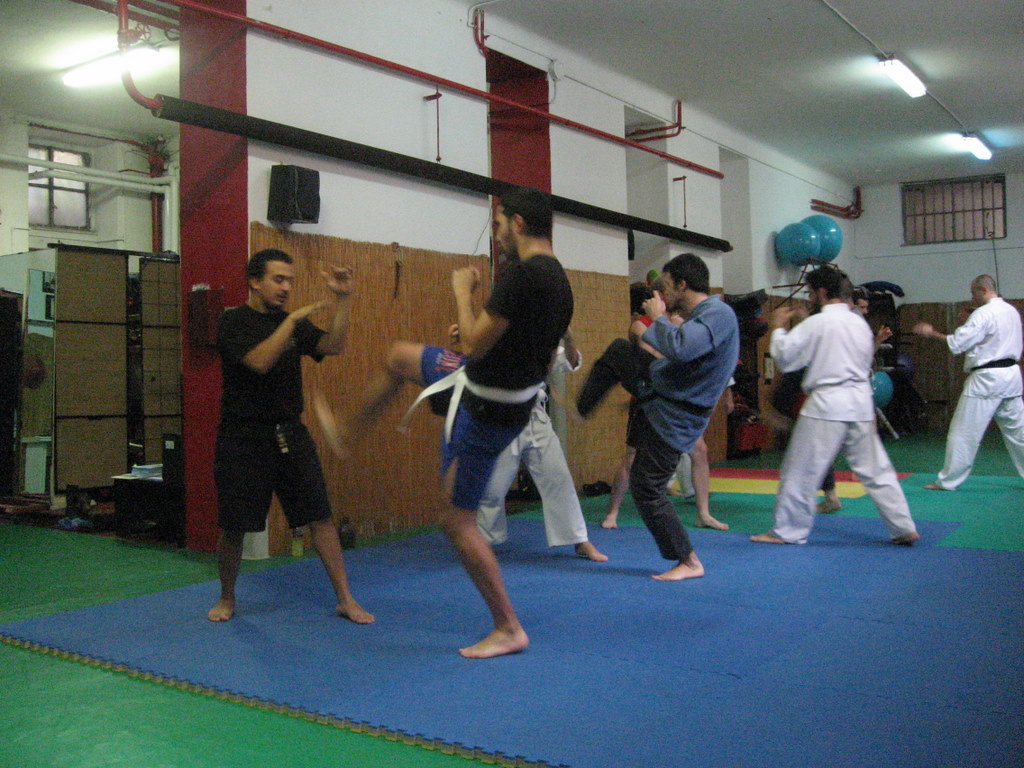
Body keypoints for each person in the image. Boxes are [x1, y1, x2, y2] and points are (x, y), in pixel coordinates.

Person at [325, 186, 573, 658]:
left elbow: (475, 343)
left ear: (518, 223)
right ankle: (345, 432)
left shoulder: (521, 276)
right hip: (499, 393)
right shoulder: (559, 279)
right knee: (399, 357)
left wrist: (462, 292)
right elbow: (527, 350)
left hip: (485, 407)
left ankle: (508, 627)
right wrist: (479, 340)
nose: (496, 234)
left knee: (456, 520)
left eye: (499, 224)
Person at [318, 324, 606, 562]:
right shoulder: (499, 330)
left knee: (558, 478)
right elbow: (473, 354)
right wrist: (464, 339)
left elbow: (571, 362)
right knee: (491, 488)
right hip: (500, 414)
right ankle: (483, 542)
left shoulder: (540, 338)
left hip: (533, 417)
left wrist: (567, 338)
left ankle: (580, 540)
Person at [208, 248, 374, 624]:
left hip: (290, 434)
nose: (286, 288)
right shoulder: (232, 321)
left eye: (290, 281)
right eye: (278, 279)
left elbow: (333, 345)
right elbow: (259, 361)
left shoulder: (292, 323)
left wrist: (343, 300)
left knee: (320, 517)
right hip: (243, 437)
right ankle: (227, 596)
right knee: (234, 526)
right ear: (255, 281)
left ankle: (346, 599)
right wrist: (293, 321)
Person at [578, 253, 739, 580]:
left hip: (676, 413)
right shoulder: (702, 316)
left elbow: (682, 349)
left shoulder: (718, 313)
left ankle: (689, 562)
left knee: (647, 487)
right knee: (619, 352)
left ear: (682, 284)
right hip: (663, 394)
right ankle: (582, 409)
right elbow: (684, 354)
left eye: (666, 287)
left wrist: (658, 318)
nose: (661, 295)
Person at [751, 267, 919, 546]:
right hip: (860, 402)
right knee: (876, 469)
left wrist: (778, 327)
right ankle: (903, 527)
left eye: (810, 293)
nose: (809, 298)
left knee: (800, 470)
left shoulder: (818, 323)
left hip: (827, 404)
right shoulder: (859, 324)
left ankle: (788, 531)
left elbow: (786, 358)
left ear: (821, 293)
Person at [912, 274, 1024, 490]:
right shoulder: (1011, 311)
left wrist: (931, 332)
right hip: (1011, 377)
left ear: (983, 290)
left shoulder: (983, 313)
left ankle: (948, 481)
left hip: (987, 379)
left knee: (963, 433)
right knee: (1019, 433)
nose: (972, 298)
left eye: (974, 293)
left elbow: (958, 342)